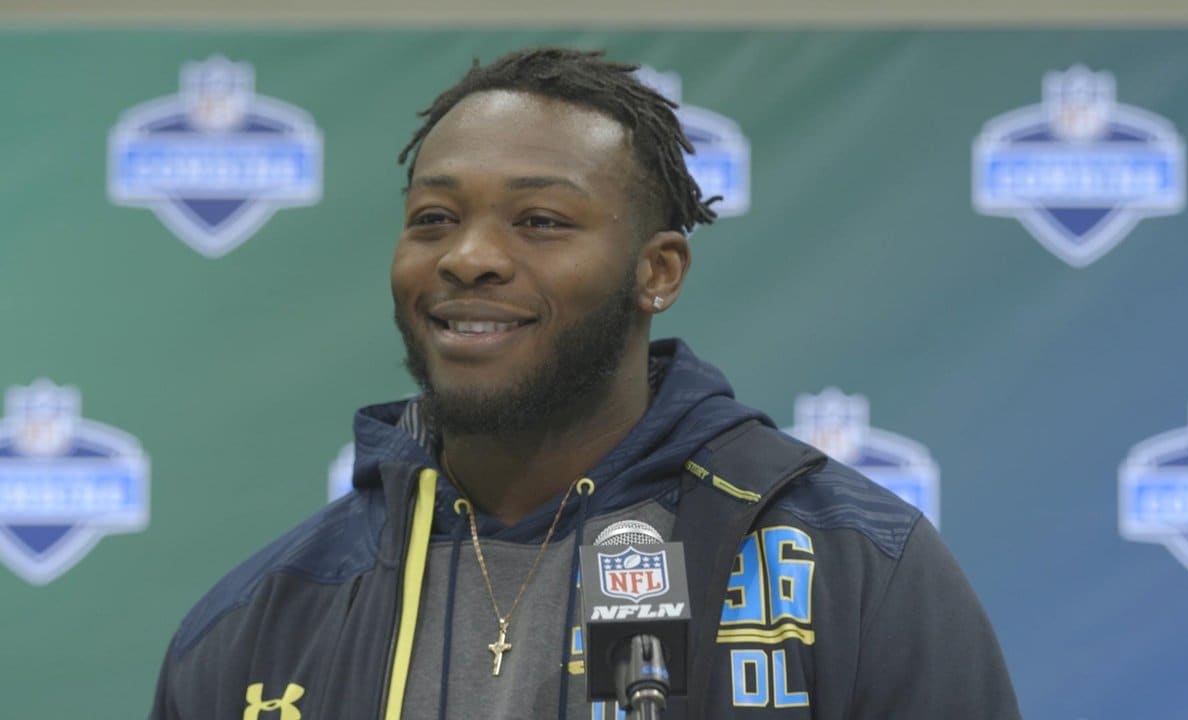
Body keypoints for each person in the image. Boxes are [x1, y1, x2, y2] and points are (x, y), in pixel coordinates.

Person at [149, 47, 1021, 719]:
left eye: (540, 221)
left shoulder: (852, 562)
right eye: (434, 219)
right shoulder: (265, 615)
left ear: (659, 272)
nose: (470, 257)